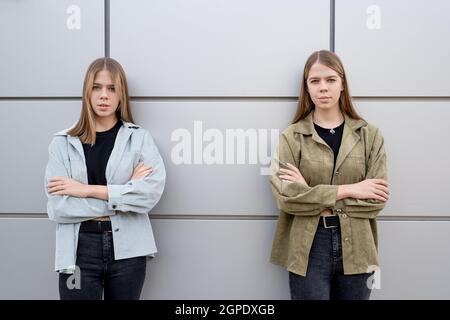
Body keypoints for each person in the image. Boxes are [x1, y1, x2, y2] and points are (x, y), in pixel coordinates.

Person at [269, 50, 389, 300]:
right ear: (307, 87)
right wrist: (351, 189)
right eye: (315, 81)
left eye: (330, 80)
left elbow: (376, 200)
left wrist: (310, 195)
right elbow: (287, 198)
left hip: (358, 245)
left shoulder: (370, 135)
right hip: (308, 246)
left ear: (343, 84)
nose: (323, 87)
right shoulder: (292, 137)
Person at [44, 57, 166, 300]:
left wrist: (84, 189)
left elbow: (149, 195)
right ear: (87, 92)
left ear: (121, 95)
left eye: (112, 89)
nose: (104, 95)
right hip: (78, 252)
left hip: (129, 251)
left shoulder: (139, 139)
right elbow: (58, 208)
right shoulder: (61, 143)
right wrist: (123, 194)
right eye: (97, 87)